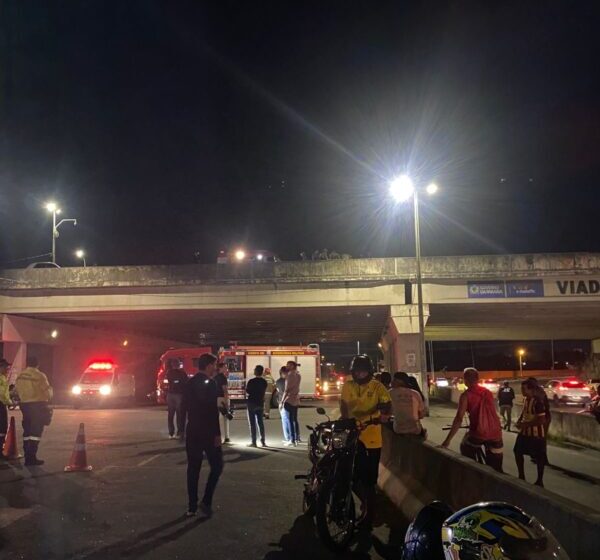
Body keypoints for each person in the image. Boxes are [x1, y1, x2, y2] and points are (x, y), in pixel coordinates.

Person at [340, 354, 391, 530]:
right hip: (352, 437)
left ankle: (371, 513)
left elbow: (386, 407)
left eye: (362, 372)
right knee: (350, 476)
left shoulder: (378, 387)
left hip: (371, 439)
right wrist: (344, 420)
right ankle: (364, 505)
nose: (359, 374)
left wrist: (378, 417)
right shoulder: (347, 386)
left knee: (368, 481)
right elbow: (344, 405)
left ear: (369, 372)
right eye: (356, 371)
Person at [181, 353, 223, 517]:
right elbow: (212, 410)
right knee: (217, 466)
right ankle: (206, 500)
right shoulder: (211, 384)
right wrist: (217, 434)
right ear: (208, 366)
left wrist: (181, 430)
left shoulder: (189, 383)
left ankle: (191, 506)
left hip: (193, 430)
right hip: (208, 431)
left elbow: (183, 408)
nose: (215, 368)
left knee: (193, 468)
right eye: (214, 365)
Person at [440, 367, 503, 473]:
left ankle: (473, 470)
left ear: (465, 380)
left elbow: (459, 418)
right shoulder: (487, 392)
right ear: (477, 379)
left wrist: (447, 441)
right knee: (496, 464)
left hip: (478, 433)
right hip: (496, 432)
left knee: (465, 446)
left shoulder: (466, 395)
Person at [15, 356, 53, 466]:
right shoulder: (39, 375)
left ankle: (27, 455)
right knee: (35, 432)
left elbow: (17, 390)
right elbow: (47, 392)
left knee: (27, 430)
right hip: (37, 405)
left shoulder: (21, 375)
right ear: (37, 364)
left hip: (24, 405)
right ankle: (31, 457)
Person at [514, 378, 548, 487]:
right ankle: (521, 475)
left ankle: (540, 480)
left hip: (536, 435)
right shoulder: (526, 400)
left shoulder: (537, 402)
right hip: (525, 433)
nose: (522, 391)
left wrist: (525, 424)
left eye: (524, 389)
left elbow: (541, 420)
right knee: (517, 451)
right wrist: (520, 421)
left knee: (539, 457)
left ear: (531, 389)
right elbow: (525, 412)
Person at [389, 372, 425, 437]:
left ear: (398, 381)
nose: (392, 382)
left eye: (394, 380)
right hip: (416, 429)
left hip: (399, 429)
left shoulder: (390, 393)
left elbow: (389, 411)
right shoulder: (415, 393)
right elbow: (422, 415)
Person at [246, 365, 268, 447]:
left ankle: (253, 442)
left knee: (252, 423)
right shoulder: (264, 382)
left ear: (256, 371)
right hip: (260, 403)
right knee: (260, 423)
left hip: (251, 403)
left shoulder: (251, 381)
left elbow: (248, 391)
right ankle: (263, 441)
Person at [281, 360, 301, 446]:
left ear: (292, 366)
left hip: (289, 400)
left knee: (289, 420)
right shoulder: (298, 375)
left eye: (288, 365)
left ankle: (292, 440)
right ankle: (297, 438)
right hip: (296, 400)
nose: (286, 366)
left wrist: (282, 401)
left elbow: (286, 390)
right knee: (294, 420)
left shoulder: (289, 376)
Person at [166, 361, 188, 439]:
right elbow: (186, 382)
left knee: (171, 414)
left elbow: (169, 381)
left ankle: (171, 433)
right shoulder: (182, 373)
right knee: (179, 414)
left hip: (170, 394)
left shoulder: (169, 372)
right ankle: (179, 432)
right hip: (179, 394)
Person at [214, 362, 231, 444]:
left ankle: (220, 436)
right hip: (222, 399)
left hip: (216, 398)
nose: (226, 368)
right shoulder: (223, 377)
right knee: (225, 418)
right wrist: (227, 401)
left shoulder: (215, 377)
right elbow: (225, 389)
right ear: (221, 368)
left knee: (218, 419)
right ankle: (226, 437)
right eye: (225, 367)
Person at [0, 358, 12, 458]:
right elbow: (2, 394)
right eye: (5, 367)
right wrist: (9, 402)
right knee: (2, 428)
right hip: (0, 404)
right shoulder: (1, 378)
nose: (7, 369)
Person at [276, 367, 291, 443]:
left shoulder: (279, 382)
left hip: (283, 403)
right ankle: (293, 437)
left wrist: (281, 403)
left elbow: (280, 392)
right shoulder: (289, 381)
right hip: (291, 402)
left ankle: (288, 438)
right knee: (290, 420)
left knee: (285, 421)